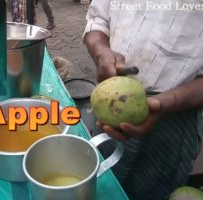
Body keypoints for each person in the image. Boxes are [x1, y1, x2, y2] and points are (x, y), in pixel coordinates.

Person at [83, 1, 203, 200]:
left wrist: (167, 103)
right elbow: (98, 20)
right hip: (110, 106)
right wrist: (101, 51)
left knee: (152, 192)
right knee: (100, 185)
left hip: (174, 119)